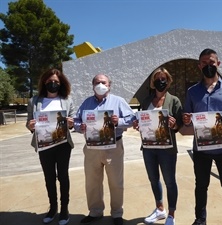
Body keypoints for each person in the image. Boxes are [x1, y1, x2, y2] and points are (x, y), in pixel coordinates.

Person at [182, 49, 222, 225]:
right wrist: (186, 119)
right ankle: (200, 220)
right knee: (201, 186)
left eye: (211, 62)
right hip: (201, 148)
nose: (208, 66)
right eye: (204, 63)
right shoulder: (192, 91)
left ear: (218, 63)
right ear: (199, 66)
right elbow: (187, 117)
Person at [74, 74, 135, 225]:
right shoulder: (86, 103)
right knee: (92, 182)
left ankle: (116, 213)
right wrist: (79, 127)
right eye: (97, 82)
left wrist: (118, 121)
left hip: (113, 147)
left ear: (109, 85)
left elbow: (132, 119)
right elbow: (76, 121)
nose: (100, 84)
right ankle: (95, 211)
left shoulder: (118, 101)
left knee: (116, 182)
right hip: (92, 148)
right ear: (92, 85)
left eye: (103, 82)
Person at [133, 67, 183, 225]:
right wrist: (138, 124)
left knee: (170, 181)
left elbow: (180, 125)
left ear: (168, 81)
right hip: (149, 148)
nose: (160, 81)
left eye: (164, 78)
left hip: (167, 149)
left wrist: (174, 125)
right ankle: (160, 209)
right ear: (153, 82)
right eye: (157, 78)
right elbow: (143, 119)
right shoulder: (147, 101)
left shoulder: (174, 100)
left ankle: (172, 214)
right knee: (153, 179)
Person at [26, 68, 75, 225]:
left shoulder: (67, 100)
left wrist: (71, 123)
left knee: (63, 176)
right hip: (44, 144)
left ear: (61, 84)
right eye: (49, 81)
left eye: (56, 82)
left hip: (62, 144)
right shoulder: (34, 101)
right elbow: (29, 123)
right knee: (49, 177)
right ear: (44, 83)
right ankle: (53, 208)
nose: (53, 84)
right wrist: (30, 125)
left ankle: (64, 210)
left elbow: (73, 121)